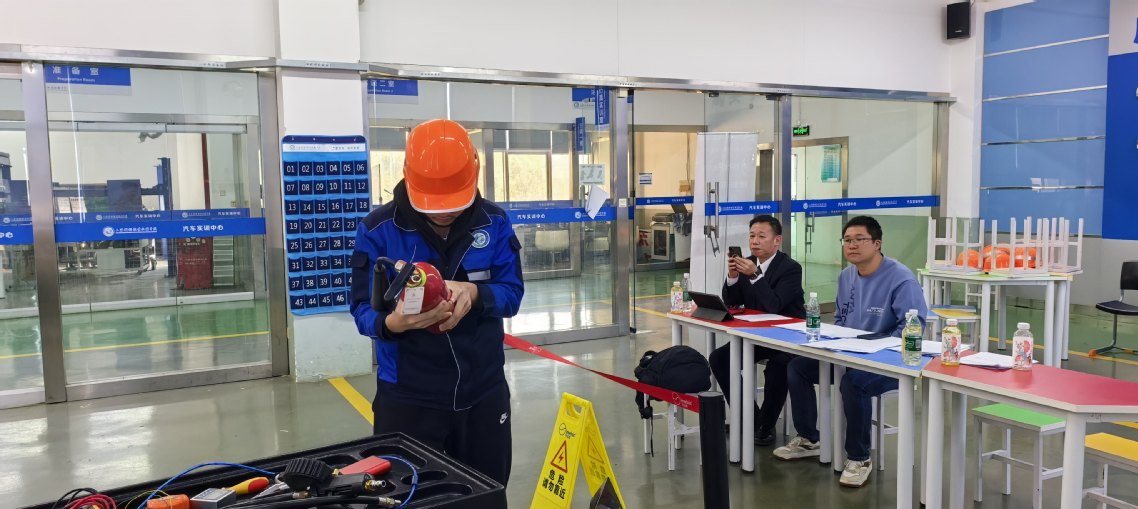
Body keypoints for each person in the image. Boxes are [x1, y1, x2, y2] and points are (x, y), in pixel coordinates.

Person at [349, 119, 524, 486]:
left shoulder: (494, 223)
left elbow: (512, 292)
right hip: (408, 397)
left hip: (483, 392)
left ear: (475, 174)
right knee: (408, 496)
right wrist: (392, 325)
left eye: (453, 202)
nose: (444, 212)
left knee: (486, 493)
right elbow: (362, 309)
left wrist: (476, 294)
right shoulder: (378, 230)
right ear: (407, 176)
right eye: (434, 202)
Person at [773, 215, 928, 488]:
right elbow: (842, 320)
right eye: (847, 240)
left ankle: (859, 458)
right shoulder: (846, 276)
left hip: (891, 361)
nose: (852, 245)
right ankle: (809, 438)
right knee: (797, 367)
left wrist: (874, 347)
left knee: (854, 383)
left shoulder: (901, 279)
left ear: (877, 244)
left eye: (859, 239)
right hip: (851, 353)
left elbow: (912, 327)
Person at [707, 214, 804, 446]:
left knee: (779, 366)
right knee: (720, 358)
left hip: (788, 336)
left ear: (777, 240)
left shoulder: (790, 268)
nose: (755, 241)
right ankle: (750, 417)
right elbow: (732, 301)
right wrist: (733, 277)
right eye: (752, 236)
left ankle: (765, 426)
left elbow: (774, 306)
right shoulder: (748, 262)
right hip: (757, 334)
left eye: (761, 236)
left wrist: (754, 275)